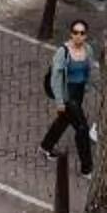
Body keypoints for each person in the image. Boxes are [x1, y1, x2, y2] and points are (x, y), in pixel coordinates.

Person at [39, 18, 97, 176]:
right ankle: (87, 168)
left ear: (86, 35)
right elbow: (56, 78)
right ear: (70, 34)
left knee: (64, 120)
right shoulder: (62, 52)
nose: (78, 36)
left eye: (82, 33)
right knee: (82, 128)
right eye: (75, 32)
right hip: (67, 94)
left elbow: (90, 70)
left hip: (78, 93)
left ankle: (46, 145)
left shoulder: (88, 50)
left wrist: (91, 85)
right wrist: (59, 101)